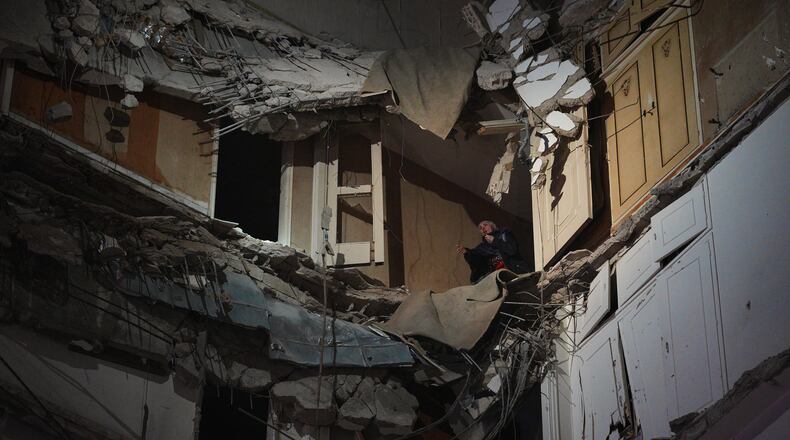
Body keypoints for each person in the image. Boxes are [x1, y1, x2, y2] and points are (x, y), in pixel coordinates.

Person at [456, 220, 528, 283]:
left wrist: (495, 241)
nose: (483, 228)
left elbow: (512, 250)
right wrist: (466, 252)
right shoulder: (482, 247)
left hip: (514, 271)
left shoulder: (504, 234)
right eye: (480, 228)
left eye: (485, 225)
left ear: (492, 226)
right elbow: (476, 260)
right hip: (497, 277)